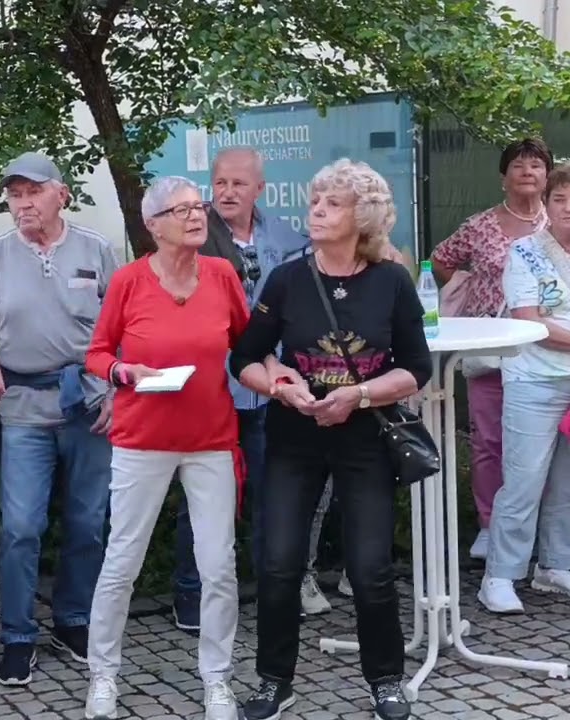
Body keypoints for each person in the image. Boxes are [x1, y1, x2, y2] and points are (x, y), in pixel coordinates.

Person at [229, 159, 430, 720]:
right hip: (295, 434)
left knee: (369, 567)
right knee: (279, 562)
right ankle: (274, 682)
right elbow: (245, 356)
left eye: (332, 203)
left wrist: (359, 396)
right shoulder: (288, 279)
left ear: (362, 217)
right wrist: (279, 384)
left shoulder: (391, 280)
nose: (316, 210)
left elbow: (417, 368)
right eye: (316, 200)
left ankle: (386, 681)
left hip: (364, 436)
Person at [0, 152, 118, 685]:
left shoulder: (96, 250)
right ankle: (18, 636)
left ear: (60, 194)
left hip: (90, 404)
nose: (23, 204)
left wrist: (115, 388)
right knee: (20, 529)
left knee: (89, 524)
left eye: (33, 193)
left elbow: (127, 328)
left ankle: (73, 619)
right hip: (23, 408)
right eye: (15, 195)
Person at [81, 176, 247, 720]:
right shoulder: (129, 281)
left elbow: (247, 347)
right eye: (180, 210)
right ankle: (103, 675)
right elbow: (98, 354)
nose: (195, 216)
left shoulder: (223, 275)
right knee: (122, 560)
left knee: (218, 566)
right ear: (153, 226)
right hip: (143, 439)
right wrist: (124, 371)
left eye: (197, 207)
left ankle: (217, 681)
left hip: (211, 440)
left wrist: (282, 378)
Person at [174, 147, 320, 629]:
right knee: (204, 494)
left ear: (260, 187)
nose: (228, 192)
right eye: (220, 183)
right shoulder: (193, 237)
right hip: (213, 387)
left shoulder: (286, 236)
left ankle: (273, 589)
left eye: (239, 184)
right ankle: (191, 594)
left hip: (271, 386)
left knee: (272, 493)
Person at [431, 138, 552, 560]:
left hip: (543, 348)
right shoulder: (481, 225)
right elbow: (442, 259)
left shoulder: (556, 227)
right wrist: (465, 288)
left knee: (542, 445)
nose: (527, 171)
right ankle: (488, 524)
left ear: (547, 177)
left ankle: (540, 533)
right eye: (517, 165)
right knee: (489, 441)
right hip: (490, 346)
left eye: (536, 165)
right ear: (503, 176)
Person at [480, 162, 570, 612]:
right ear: (547, 206)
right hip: (534, 379)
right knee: (524, 481)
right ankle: (500, 575)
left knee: (567, 481)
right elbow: (529, 322)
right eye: (561, 199)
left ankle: (555, 566)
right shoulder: (525, 252)